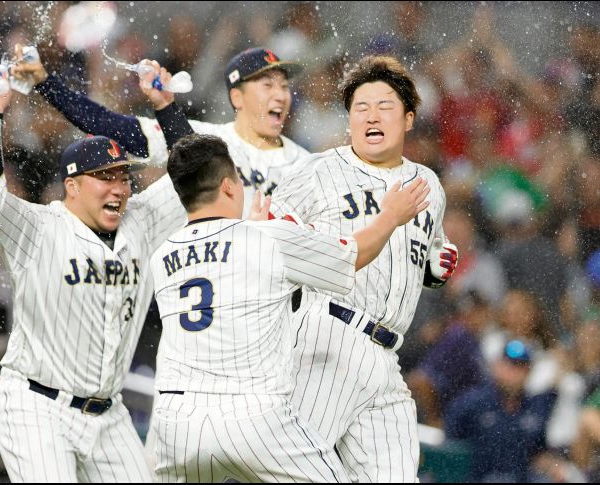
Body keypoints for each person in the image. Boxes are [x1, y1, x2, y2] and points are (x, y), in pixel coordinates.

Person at [149, 133, 430, 482]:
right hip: (252, 417)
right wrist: (390, 216)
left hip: (177, 424)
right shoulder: (268, 239)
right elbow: (352, 255)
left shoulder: (162, 257)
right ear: (229, 187)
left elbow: (222, 264)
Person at [0, 64, 188, 482]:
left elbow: (194, 175)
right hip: (37, 405)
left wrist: (166, 107)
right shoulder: (38, 227)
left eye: (123, 177)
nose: (119, 187)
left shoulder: (140, 220)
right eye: (104, 177)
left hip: (108, 412)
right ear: (72, 186)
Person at [269, 55, 458, 482]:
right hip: (329, 337)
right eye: (361, 107)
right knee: (289, 472)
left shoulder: (428, 184)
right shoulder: (317, 173)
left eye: (384, 106)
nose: (371, 116)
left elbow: (430, 255)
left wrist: (437, 267)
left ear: (408, 119)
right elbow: (267, 244)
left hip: (387, 355)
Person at [13, 46, 309, 215]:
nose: (281, 95)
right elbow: (107, 124)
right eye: (267, 85)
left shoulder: (308, 164)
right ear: (236, 97)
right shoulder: (197, 137)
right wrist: (45, 82)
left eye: (284, 85)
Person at [445, 340, 557, 482]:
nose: (515, 373)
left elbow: (540, 452)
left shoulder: (534, 408)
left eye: (522, 367)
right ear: (497, 366)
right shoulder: (471, 403)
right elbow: (449, 447)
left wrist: (550, 465)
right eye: (510, 365)